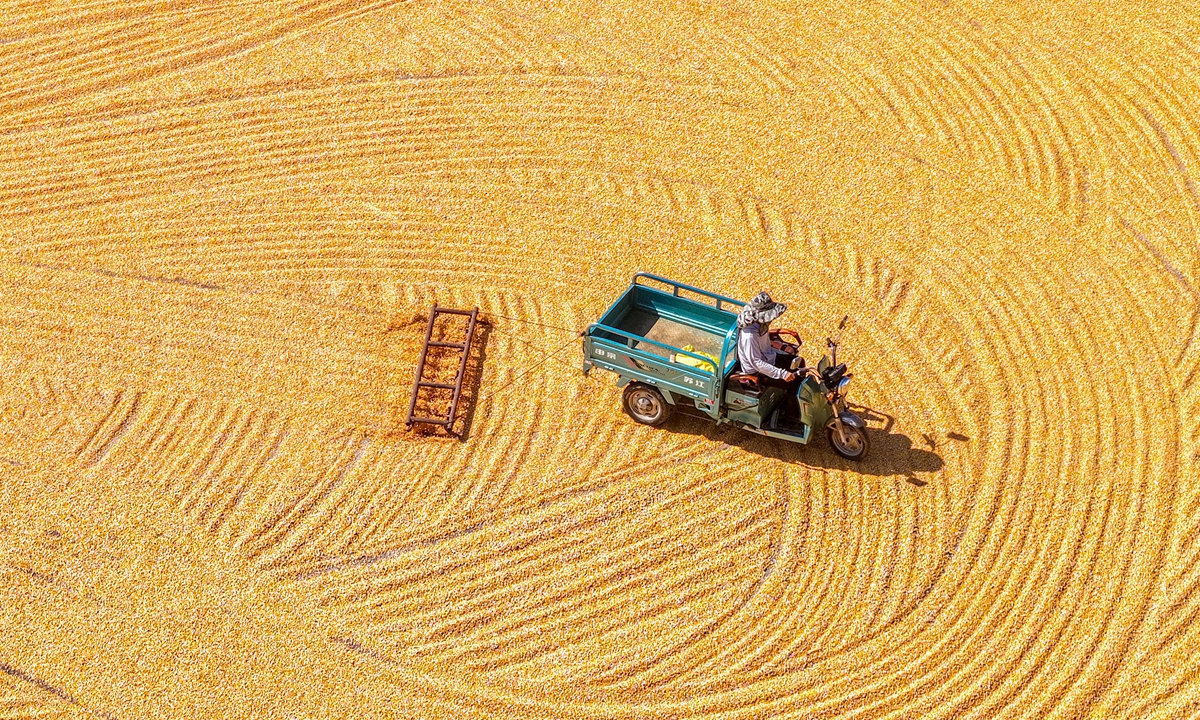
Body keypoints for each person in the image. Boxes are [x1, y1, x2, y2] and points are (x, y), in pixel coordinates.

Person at [736, 291, 802, 422]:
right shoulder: (749, 335)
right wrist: (782, 374)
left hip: (769, 358)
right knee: (793, 382)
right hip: (758, 372)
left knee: (799, 363)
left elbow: (766, 345)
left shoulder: (759, 326)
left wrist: (783, 350)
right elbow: (756, 363)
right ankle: (790, 414)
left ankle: (794, 397)